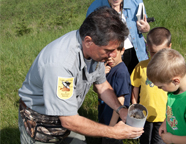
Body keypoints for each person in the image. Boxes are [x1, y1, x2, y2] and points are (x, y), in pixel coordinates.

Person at [18, 7, 144, 144]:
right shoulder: (61, 64)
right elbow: (69, 120)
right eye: (109, 50)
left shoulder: (96, 52)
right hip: (41, 124)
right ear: (88, 41)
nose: (113, 55)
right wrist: (113, 132)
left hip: (67, 114)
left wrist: (120, 109)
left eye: (115, 50)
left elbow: (101, 85)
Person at [147, 48, 186, 144]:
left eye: (161, 86)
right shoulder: (176, 89)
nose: (159, 89)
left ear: (175, 81)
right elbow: (173, 110)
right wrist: (166, 123)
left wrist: (171, 139)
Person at [130, 27, 172, 144]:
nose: (156, 57)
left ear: (169, 47)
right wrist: (134, 105)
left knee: (159, 142)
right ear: (147, 47)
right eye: (153, 52)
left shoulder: (171, 69)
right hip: (144, 115)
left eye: (160, 53)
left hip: (163, 116)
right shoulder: (141, 67)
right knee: (145, 141)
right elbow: (135, 86)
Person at [86, 0, 150, 74]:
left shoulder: (136, 2)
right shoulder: (95, 7)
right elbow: (89, 35)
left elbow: (145, 24)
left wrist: (146, 28)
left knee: (139, 83)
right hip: (112, 55)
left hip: (137, 53)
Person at [96, 42, 131, 144]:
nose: (110, 58)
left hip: (113, 121)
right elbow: (97, 90)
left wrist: (112, 126)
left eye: (113, 53)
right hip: (105, 115)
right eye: (107, 53)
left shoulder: (121, 72)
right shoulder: (107, 68)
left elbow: (121, 99)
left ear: (122, 51)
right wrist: (101, 75)